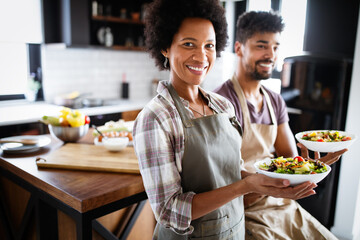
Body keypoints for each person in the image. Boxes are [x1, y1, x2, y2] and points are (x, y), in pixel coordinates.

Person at [133, 2, 318, 239]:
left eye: (209, 45)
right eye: (189, 44)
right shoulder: (155, 118)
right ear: (165, 48)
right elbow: (169, 212)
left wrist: (269, 183)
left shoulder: (223, 106)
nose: (201, 56)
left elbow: (231, 171)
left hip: (234, 231)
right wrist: (246, 187)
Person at [214, 11, 347, 240]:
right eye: (261, 46)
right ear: (239, 48)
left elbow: (289, 160)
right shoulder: (222, 103)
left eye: (275, 47)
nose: (270, 55)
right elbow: (223, 178)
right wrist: (275, 182)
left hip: (282, 205)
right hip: (243, 210)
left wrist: (309, 168)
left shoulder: (275, 101)